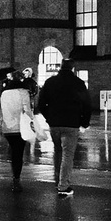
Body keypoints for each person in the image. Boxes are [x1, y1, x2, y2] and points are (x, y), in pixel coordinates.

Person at [36, 59, 92, 197]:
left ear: (60, 67)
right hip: (72, 123)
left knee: (58, 151)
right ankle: (63, 185)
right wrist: (84, 122)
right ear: (72, 68)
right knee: (68, 154)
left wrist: (49, 117)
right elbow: (87, 105)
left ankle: (57, 180)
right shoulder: (78, 83)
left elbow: (41, 104)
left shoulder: (50, 82)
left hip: (55, 124)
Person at [0, 72, 33, 192]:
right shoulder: (23, 92)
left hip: (7, 127)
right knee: (18, 153)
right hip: (20, 128)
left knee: (14, 152)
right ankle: (16, 179)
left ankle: (15, 176)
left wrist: (0, 125)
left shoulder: (4, 93)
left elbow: (1, 110)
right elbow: (27, 110)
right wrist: (32, 122)